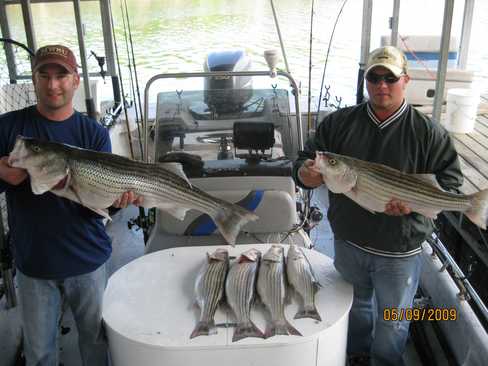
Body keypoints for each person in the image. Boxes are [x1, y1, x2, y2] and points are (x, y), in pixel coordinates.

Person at [294, 46, 462, 366]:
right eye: (374, 77)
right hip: (349, 241)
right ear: (366, 81)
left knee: (393, 320)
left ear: (405, 81)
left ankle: (385, 362)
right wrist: (306, 174)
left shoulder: (430, 134)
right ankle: (356, 355)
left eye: (390, 77)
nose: (381, 85)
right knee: (355, 308)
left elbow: (450, 184)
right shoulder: (339, 123)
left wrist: (413, 206)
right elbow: (305, 162)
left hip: (399, 249)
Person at [0, 45, 141, 366]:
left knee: (95, 345)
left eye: (61, 75)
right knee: (39, 353)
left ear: (76, 80)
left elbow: (93, 210)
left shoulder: (92, 133)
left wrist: (118, 202)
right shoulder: (7, 128)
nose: (53, 85)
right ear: (33, 79)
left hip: (86, 259)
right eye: (43, 75)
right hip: (33, 262)